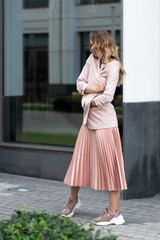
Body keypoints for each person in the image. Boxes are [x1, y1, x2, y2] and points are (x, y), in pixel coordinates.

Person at [61, 30, 127, 226]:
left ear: (101, 44)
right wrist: (91, 89)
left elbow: (108, 97)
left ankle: (114, 213)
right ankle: (73, 200)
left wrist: (86, 99)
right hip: (88, 123)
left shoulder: (113, 65)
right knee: (78, 163)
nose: (90, 47)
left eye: (93, 44)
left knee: (110, 167)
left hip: (105, 124)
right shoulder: (91, 59)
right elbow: (80, 82)